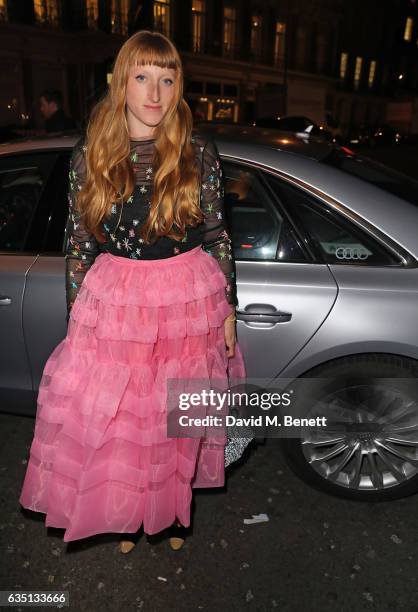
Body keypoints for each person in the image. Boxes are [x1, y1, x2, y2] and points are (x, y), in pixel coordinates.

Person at [19, 30, 246, 553]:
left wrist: (228, 310)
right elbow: (77, 244)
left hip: (187, 298)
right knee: (126, 419)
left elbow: (217, 233)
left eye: (167, 79)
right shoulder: (89, 156)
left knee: (174, 418)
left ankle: (165, 514)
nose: (155, 93)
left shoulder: (197, 151)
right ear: (121, 82)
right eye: (143, 77)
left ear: (178, 86)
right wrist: (78, 317)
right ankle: (129, 514)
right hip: (118, 301)